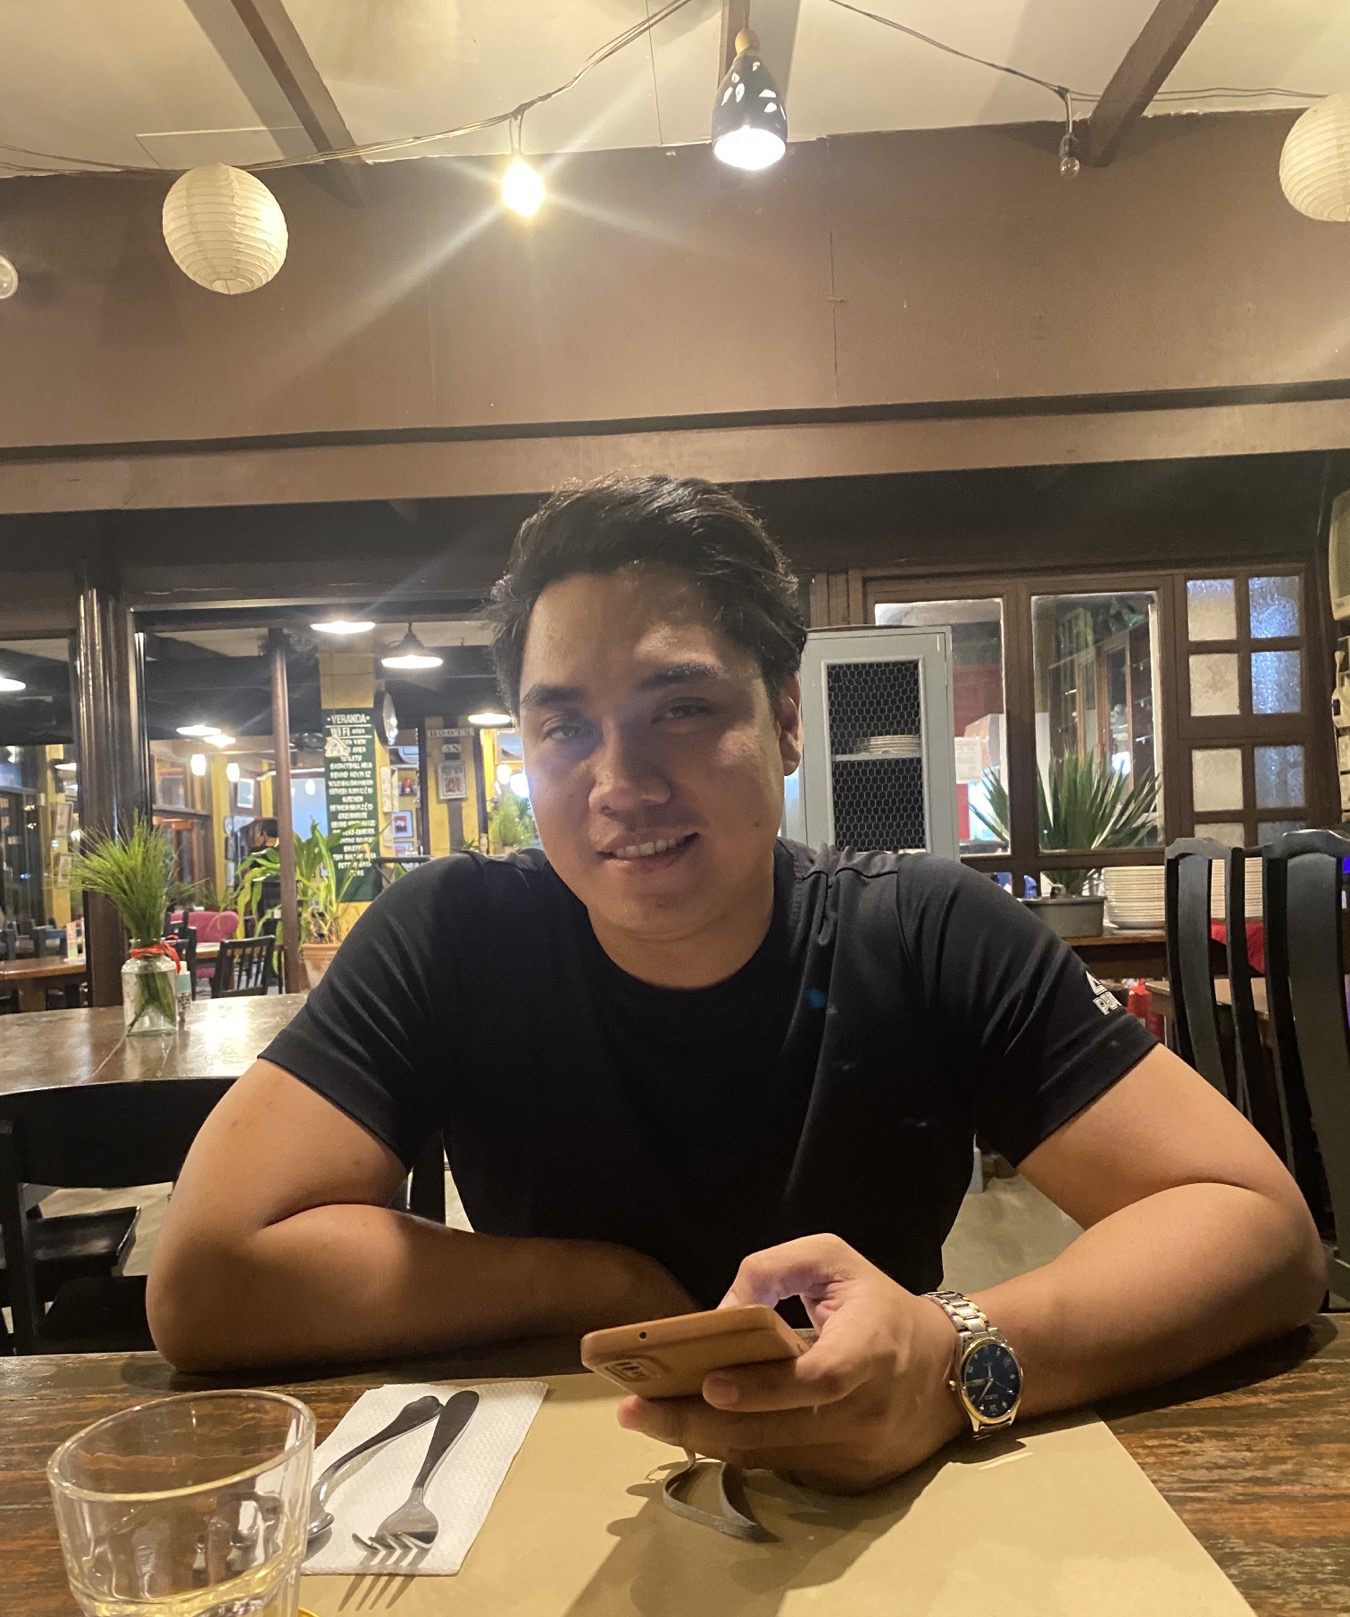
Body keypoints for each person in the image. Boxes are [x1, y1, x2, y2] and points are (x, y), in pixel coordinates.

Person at [148, 475, 1324, 1492]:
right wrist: (596, 1282)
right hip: (560, 1502)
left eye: (683, 709)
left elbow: (1260, 1228)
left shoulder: (924, 932)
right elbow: (208, 1280)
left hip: (886, 1502)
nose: (621, 783)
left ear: (786, 720)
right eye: (565, 728)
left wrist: (949, 1355)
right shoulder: (454, 936)